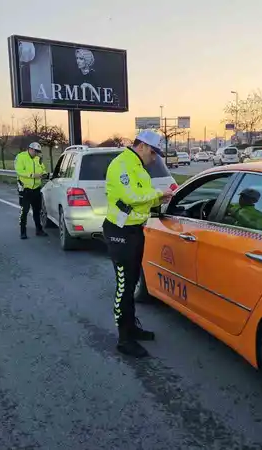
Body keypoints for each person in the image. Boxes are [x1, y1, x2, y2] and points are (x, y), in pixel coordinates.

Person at [103, 130, 174, 358]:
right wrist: (157, 194)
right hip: (120, 231)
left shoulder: (136, 166)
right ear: (142, 146)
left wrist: (158, 199)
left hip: (134, 229)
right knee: (124, 285)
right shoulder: (121, 164)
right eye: (153, 152)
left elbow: (140, 198)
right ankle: (124, 338)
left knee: (132, 281)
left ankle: (131, 327)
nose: (154, 158)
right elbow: (132, 195)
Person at [15, 142, 49, 239]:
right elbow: (19, 171)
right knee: (24, 211)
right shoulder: (21, 157)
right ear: (30, 149)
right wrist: (32, 175)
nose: (37, 153)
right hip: (25, 189)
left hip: (36, 189)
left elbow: (43, 169)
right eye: (35, 151)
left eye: (38, 152)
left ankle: (39, 230)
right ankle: (23, 232)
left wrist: (44, 174)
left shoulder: (38, 159)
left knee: (37, 211)